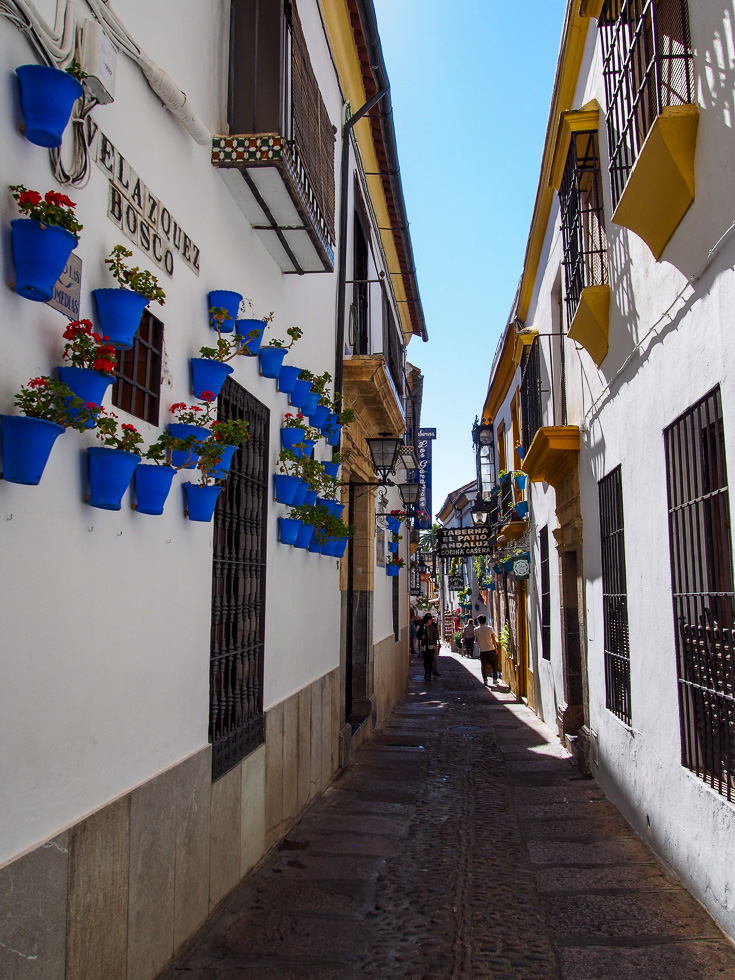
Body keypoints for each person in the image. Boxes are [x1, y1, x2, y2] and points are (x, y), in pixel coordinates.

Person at [475, 614, 499, 687]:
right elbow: (493, 638)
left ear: (479, 621)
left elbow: (476, 640)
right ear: (485, 621)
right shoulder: (490, 628)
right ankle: (494, 679)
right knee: (494, 665)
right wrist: (496, 648)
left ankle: (485, 680)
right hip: (490, 649)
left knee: (484, 666)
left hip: (482, 650)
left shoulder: (476, 630)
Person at [420, 613, 440, 680]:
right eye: (430, 620)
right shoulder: (423, 628)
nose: (431, 621)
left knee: (430, 660)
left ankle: (429, 674)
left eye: (431, 620)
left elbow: (436, 636)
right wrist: (421, 637)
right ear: (427, 620)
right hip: (424, 646)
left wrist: (435, 645)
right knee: (425, 661)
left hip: (431, 646)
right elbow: (418, 635)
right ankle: (426, 673)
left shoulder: (433, 628)